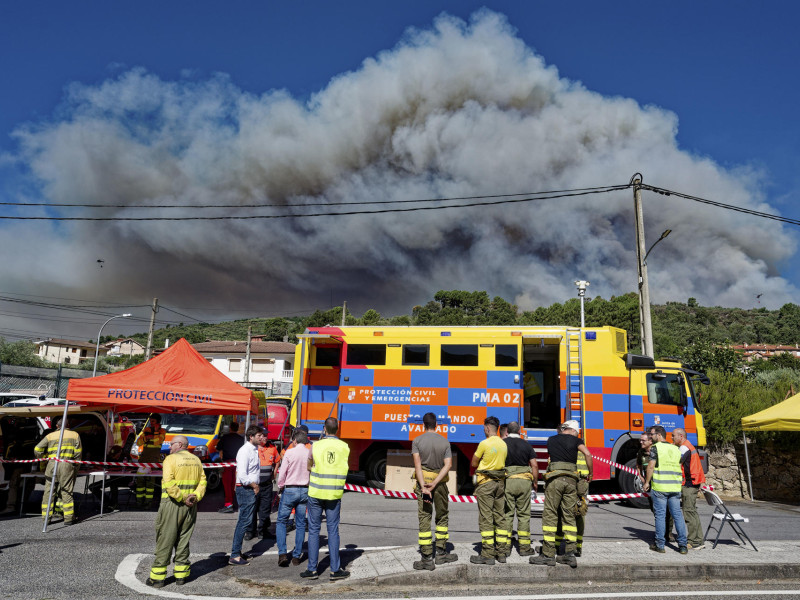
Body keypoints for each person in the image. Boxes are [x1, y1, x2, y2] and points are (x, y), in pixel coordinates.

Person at [146, 435, 206, 588]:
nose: (170, 447)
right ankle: (181, 576)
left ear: (179, 444)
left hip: (173, 504)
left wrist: (182, 497)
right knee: (183, 539)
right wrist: (195, 497)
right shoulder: (196, 460)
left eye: (171, 444)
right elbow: (202, 482)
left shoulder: (170, 459)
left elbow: (169, 483)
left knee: (165, 539)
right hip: (191, 506)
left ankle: (157, 578)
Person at [531, 420, 592, 568]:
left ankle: (548, 554)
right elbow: (588, 454)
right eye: (576, 432)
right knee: (569, 515)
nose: (577, 435)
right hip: (571, 481)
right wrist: (591, 472)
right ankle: (569, 554)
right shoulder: (577, 441)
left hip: (555, 480)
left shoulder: (551, 439)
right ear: (572, 430)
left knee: (550, 514)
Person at [301, 417, 351, 581]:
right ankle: (335, 570)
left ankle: (312, 569)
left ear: (324, 429)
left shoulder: (316, 445)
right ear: (337, 429)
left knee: (314, 530)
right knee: (333, 531)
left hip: (316, 492)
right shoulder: (345, 447)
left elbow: (309, 465)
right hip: (334, 494)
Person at [411, 412, 457, 571]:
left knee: (425, 516)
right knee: (442, 516)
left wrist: (424, 486)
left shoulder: (417, 441)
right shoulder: (445, 442)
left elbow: (417, 466)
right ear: (436, 425)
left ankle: (426, 558)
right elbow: (448, 465)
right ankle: (441, 553)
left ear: (424, 425)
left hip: (423, 484)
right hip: (440, 485)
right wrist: (436, 482)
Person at [643, 425, 688, 554]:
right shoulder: (675, 448)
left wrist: (647, 482)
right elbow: (678, 466)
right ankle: (683, 546)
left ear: (659, 435)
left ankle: (660, 545)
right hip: (674, 487)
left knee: (660, 516)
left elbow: (650, 467)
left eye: (652, 434)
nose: (651, 437)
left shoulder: (655, 448)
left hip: (660, 487)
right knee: (678, 516)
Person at [470, 416, 508, 565]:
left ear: (487, 428)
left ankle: (487, 554)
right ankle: (501, 553)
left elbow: (474, 462)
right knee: (500, 517)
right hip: (500, 484)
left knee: (486, 518)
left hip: (486, 484)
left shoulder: (484, 443)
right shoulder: (503, 444)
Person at [34, 417, 82, 525]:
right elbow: (78, 454)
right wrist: (76, 466)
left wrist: (44, 457)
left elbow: (37, 449)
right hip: (67, 464)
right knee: (66, 491)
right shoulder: (75, 435)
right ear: (68, 425)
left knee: (49, 492)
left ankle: (46, 518)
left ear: (57, 426)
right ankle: (69, 518)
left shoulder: (50, 436)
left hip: (51, 464)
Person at [553, 423, 591, 558]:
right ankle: (577, 546)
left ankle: (557, 545)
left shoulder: (562, 446)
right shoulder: (580, 444)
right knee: (579, 512)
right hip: (581, 482)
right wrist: (590, 474)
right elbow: (588, 458)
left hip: (569, 480)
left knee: (561, 512)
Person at [229, 425, 264, 565]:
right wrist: (254, 485)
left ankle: (237, 552)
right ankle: (235, 555)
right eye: (259, 435)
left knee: (246, 521)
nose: (262, 438)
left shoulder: (253, 449)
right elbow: (243, 475)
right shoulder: (245, 451)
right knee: (244, 522)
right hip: (246, 489)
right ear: (251, 436)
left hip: (247, 488)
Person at [502, 421, 539, 557]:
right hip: (524, 482)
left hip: (508, 481)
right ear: (519, 431)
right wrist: (535, 482)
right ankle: (524, 548)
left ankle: (505, 548)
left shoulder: (503, 444)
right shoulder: (527, 445)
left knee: (507, 515)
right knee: (524, 515)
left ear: (507, 431)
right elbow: (534, 465)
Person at [276, 429, 311, 567]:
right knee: (301, 523)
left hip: (290, 489)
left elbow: (282, 472)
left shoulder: (290, 452)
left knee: (281, 521)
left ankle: (283, 553)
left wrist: (280, 486)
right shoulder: (310, 452)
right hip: (305, 490)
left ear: (294, 441)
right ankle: (297, 555)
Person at [672, 427, 706, 550]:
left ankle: (694, 541)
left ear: (681, 436)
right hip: (692, 483)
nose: (672, 438)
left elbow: (676, 462)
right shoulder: (688, 446)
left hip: (689, 484)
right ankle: (698, 539)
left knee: (689, 513)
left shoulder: (684, 448)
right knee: (692, 512)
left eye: (673, 435)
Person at [248, 427, 278, 540]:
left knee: (265, 509)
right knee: (252, 508)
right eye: (262, 435)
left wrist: (274, 472)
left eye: (266, 435)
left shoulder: (272, 447)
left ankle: (263, 531)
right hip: (254, 485)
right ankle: (251, 531)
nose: (265, 437)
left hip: (266, 484)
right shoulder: (252, 449)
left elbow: (277, 460)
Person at [137, 414, 166, 508]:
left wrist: (156, 432)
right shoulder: (146, 430)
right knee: (140, 482)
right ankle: (139, 502)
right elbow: (138, 443)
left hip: (153, 461)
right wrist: (146, 438)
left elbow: (158, 442)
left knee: (150, 484)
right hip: (143, 460)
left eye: (153, 421)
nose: (151, 423)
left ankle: (148, 504)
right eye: (150, 421)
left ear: (158, 422)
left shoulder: (162, 431)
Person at [217, 421, 244, 514]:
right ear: (237, 428)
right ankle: (234, 502)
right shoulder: (241, 439)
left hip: (228, 464)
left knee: (227, 485)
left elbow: (218, 447)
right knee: (235, 484)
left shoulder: (225, 437)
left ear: (230, 428)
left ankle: (229, 504)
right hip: (238, 464)